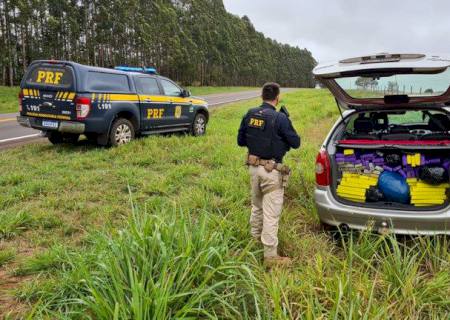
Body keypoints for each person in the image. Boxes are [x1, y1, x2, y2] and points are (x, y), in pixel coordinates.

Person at [237, 82, 300, 266]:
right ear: (277, 97)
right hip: (271, 172)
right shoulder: (280, 118)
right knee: (271, 215)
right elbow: (296, 143)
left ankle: (254, 240)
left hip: (253, 169)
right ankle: (271, 257)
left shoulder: (250, 114)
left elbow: (241, 141)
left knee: (256, 207)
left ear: (261, 96)